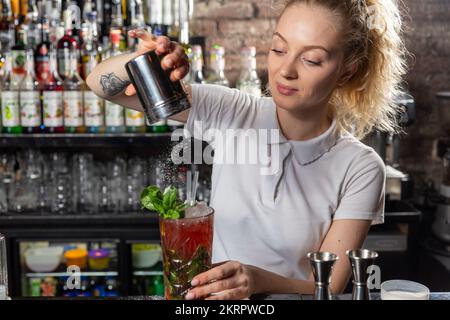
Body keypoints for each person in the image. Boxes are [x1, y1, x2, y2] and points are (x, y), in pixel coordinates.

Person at [87, 0, 408, 300]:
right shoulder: (233, 112)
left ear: (347, 71)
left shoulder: (360, 167)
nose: (286, 70)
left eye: (311, 59)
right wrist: (145, 63)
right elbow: (99, 83)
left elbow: (329, 285)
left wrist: (257, 280)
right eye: (279, 48)